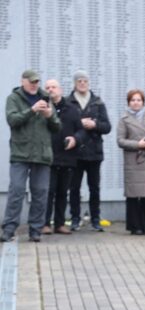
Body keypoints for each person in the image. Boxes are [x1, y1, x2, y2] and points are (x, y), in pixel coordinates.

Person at [1, 70, 60, 244]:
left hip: (42, 154)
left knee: (40, 193)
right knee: (16, 190)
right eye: (31, 81)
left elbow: (57, 127)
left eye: (36, 82)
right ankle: (9, 229)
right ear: (23, 81)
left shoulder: (46, 98)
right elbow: (12, 120)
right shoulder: (14, 98)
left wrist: (50, 116)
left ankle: (35, 230)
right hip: (21, 153)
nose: (34, 85)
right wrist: (32, 110)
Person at [68, 72, 111, 232]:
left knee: (94, 188)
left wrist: (95, 125)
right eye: (79, 81)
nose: (82, 83)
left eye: (85, 80)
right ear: (75, 83)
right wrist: (79, 123)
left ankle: (95, 219)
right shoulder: (68, 102)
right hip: (75, 153)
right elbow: (64, 126)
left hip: (94, 152)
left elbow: (107, 127)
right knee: (74, 188)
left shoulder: (97, 102)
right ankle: (75, 218)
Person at [116, 89, 145, 236]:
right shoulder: (124, 119)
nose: (136, 103)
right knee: (133, 195)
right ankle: (135, 226)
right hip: (133, 161)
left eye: (139, 100)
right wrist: (138, 144)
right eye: (133, 100)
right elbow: (120, 140)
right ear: (128, 102)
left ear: (143, 102)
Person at [43, 79, 83, 235]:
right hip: (48, 157)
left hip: (67, 157)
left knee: (62, 192)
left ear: (60, 90)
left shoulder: (72, 109)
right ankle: (45, 223)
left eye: (53, 87)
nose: (50, 90)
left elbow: (81, 131)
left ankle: (59, 224)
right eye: (47, 87)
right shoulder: (43, 108)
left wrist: (75, 139)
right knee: (48, 192)